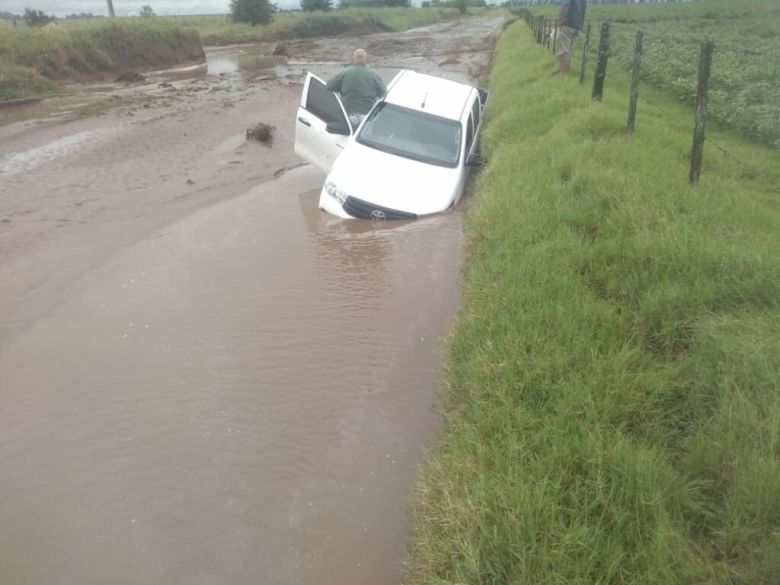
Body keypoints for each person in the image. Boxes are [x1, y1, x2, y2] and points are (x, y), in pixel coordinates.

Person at [326, 48, 386, 128]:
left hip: (348, 114)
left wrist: (341, 88)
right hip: (367, 115)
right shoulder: (373, 75)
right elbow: (383, 93)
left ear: (353, 59)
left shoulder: (345, 73)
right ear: (366, 59)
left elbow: (329, 86)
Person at [554, 0, 587, 75]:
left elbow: (565, 6)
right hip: (577, 25)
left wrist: (560, 20)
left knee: (563, 49)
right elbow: (583, 10)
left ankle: (562, 72)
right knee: (568, 48)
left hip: (568, 23)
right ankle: (566, 71)